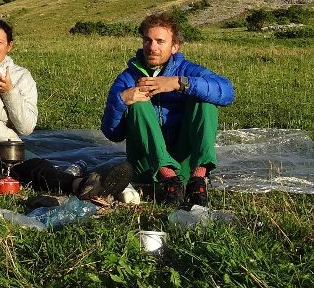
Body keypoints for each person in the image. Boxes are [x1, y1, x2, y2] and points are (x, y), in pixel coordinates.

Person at [0, 18, 132, 200]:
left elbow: (26, 127)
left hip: (3, 142)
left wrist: (9, 91)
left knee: (35, 167)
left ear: (9, 46)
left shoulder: (22, 77)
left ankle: (83, 185)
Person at [101, 12, 235, 208]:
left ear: (175, 47)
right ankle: (167, 178)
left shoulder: (187, 70)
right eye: (147, 40)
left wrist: (178, 83)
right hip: (146, 165)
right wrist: (121, 100)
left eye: (160, 41)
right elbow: (112, 134)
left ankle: (198, 179)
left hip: (186, 166)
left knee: (204, 101)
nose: (152, 47)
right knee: (138, 101)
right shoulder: (128, 78)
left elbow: (227, 92)